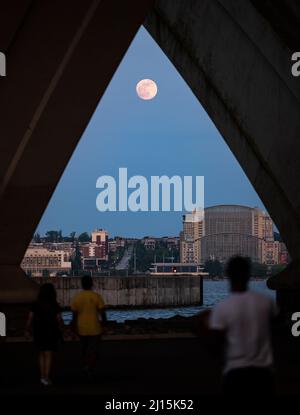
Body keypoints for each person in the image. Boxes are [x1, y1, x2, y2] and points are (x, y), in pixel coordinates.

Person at [207, 256, 278, 395]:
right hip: (263, 374)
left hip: (235, 373)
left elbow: (216, 346)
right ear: (248, 274)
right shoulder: (266, 302)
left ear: (228, 275)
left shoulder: (222, 308)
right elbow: (277, 327)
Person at [25, 283, 63, 386]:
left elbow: (30, 319)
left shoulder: (35, 304)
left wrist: (27, 330)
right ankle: (47, 377)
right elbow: (59, 320)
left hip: (39, 331)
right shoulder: (54, 304)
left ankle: (42, 376)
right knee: (48, 354)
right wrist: (62, 329)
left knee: (41, 353)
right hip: (51, 331)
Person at [71, 275, 107, 375]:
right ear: (92, 284)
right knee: (94, 350)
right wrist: (104, 326)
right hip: (95, 328)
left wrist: (73, 329)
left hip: (81, 328)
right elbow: (102, 313)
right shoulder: (96, 296)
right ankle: (89, 367)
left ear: (81, 284)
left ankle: (84, 366)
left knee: (83, 349)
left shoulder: (77, 297)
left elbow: (74, 316)